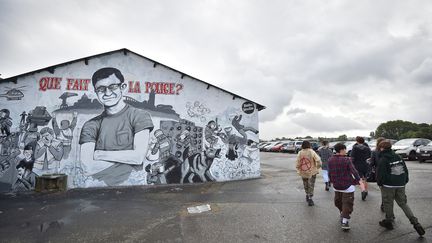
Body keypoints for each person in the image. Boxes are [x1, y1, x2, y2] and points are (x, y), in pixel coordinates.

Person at [79, 67, 154, 186]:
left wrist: (99, 154)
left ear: (122, 88)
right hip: (97, 186)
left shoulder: (139, 116)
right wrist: (127, 157)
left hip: (132, 185)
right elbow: (87, 167)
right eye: (101, 89)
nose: (107, 93)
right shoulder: (90, 125)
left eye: (113, 87)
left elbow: (138, 157)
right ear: (96, 91)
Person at [376, 141, 425, 236]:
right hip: (401, 184)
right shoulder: (398, 157)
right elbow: (405, 170)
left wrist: (380, 183)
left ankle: (388, 221)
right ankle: (415, 223)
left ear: (381, 148)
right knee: (403, 203)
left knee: (388, 203)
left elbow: (381, 174)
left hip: (389, 185)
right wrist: (405, 180)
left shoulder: (383, 159)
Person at [328, 143, 361, 231]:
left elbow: (329, 172)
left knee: (338, 202)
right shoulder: (346, 160)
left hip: (336, 185)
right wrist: (358, 181)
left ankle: (344, 218)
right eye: (345, 150)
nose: (346, 151)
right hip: (347, 186)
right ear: (342, 150)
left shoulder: (330, 160)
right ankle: (345, 220)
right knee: (346, 204)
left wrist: (331, 181)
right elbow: (354, 171)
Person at [296, 140, 322, 206]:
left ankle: (307, 194)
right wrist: (317, 167)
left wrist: (298, 169)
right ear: (309, 145)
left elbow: (298, 163)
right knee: (311, 184)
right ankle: (310, 198)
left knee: (305, 184)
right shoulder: (311, 151)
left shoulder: (300, 153)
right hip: (312, 172)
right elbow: (318, 160)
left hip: (303, 171)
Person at [350, 136, 371, 200]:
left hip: (358, 165)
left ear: (357, 141)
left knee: (360, 178)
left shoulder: (355, 148)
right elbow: (370, 156)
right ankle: (366, 190)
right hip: (366, 164)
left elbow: (352, 157)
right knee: (365, 178)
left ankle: (363, 190)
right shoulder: (367, 148)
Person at [368, 137, 386, 211]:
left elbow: (372, 163)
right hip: (388, 173)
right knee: (388, 191)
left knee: (383, 190)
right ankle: (385, 205)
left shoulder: (375, 152)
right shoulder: (388, 151)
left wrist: (369, 161)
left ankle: (383, 205)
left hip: (379, 173)